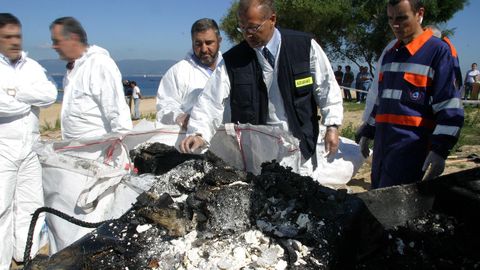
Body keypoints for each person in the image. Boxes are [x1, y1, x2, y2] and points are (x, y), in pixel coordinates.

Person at [180, 0, 343, 167]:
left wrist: (332, 125)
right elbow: (210, 101)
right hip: (257, 151)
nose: (247, 34)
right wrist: (198, 133)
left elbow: (327, 88)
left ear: (272, 19)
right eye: (242, 28)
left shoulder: (303, 47)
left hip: (301, 146)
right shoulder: (233, 60)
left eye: (253, 27)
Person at [357, 0, 464, 189]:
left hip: (411, 150)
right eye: (390, 19)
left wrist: (440, 150)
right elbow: (382, 100)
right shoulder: (391, 54)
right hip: (383, 147)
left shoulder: (438, 52)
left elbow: (449, 105)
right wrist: (368, 130)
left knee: (398, 208)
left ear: (419, 13)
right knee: (377, 199)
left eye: (401, 18)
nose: (395, 25)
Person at [0, 13, 57, 268]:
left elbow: (50, 94)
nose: (14, 41)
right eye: (7, 36)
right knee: (1, 209)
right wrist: (26, 101)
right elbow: (2, 105)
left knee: (31, 204)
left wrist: (16, 92)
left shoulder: (31, 65)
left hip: (29, 149)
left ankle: (26, 256)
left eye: (17, 36)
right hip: (3, 148)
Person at [50, 17, 132, 140]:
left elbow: (118, 113)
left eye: (57, 41)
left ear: (74, 38)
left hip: (98, 153)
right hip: (74, 152)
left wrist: (121, 147)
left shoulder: (99, 64)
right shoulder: (73, 70)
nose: (54, 47)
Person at [156, 18, 223, 129]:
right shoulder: (178, 72)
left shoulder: (230, 68)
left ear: (219, 41)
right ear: (192, 43)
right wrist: (180, 117)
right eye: (198, 44)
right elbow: (164, 107)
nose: (204, 49)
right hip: (191, 138)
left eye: (209, 43)